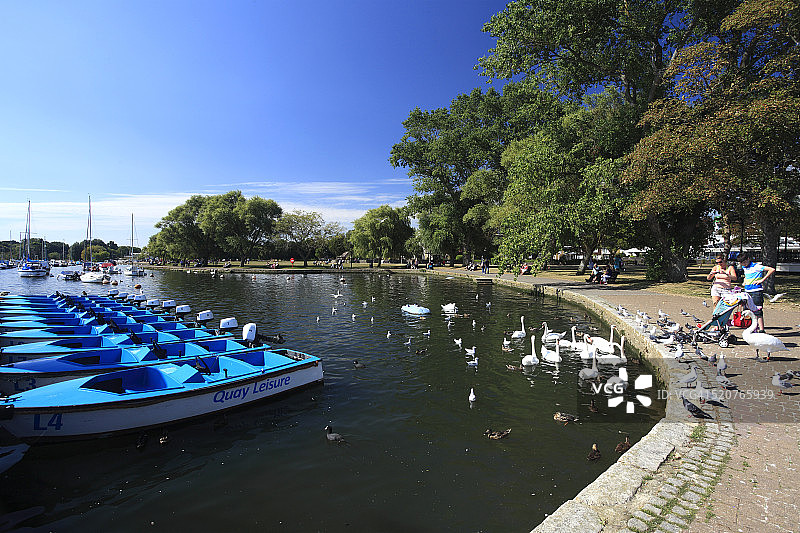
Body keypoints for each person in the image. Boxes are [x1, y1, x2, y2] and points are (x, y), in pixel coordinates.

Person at [737, 252, 775, 332]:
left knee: (757, 311)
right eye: (741, 263)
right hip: (747, 291)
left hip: (756, 291)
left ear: (748, 259)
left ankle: (761, 330)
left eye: (744, 262)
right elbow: (747, 276)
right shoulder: (744, 267)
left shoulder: (756, 266)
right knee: (747, 310)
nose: (743, 264)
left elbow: (771, 269)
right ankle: (753, 328)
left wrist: (762, 280)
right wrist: (745, 281)